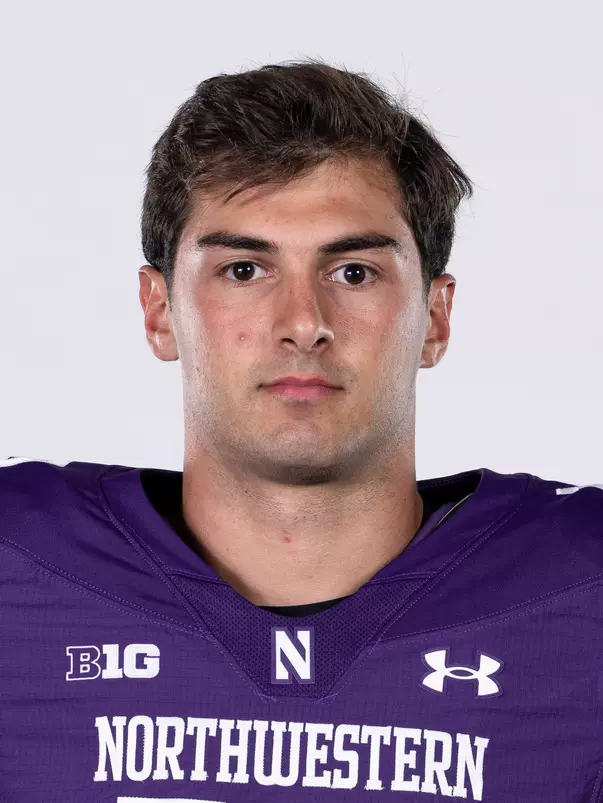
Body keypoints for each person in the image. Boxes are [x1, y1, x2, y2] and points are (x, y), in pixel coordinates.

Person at [1, 59, 602, 803]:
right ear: (160, 312)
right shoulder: (20, 571)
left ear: (434, 319)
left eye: (352, 271)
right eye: (244, 269)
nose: (302, 324)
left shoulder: (581, 594)